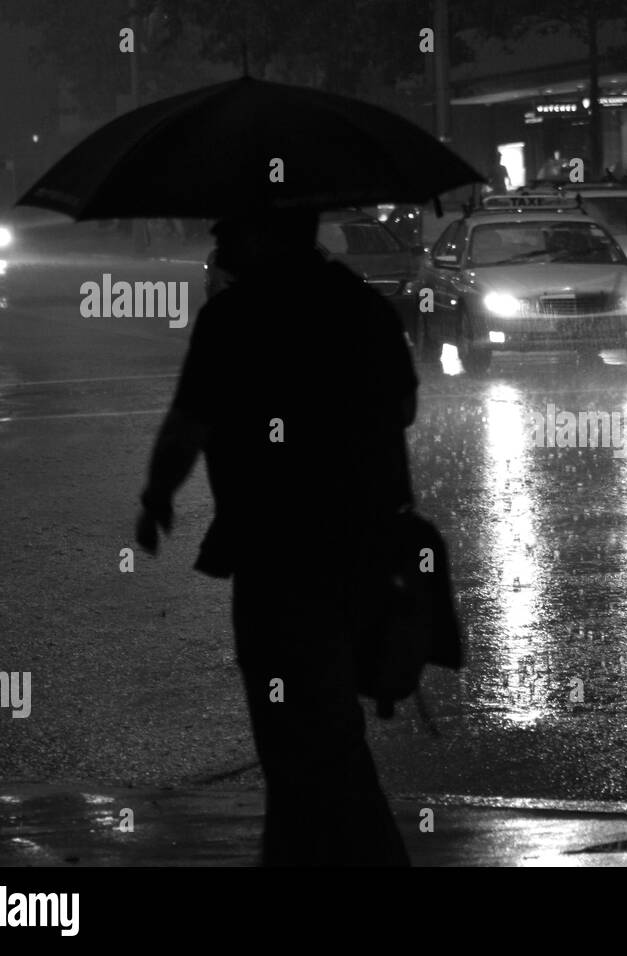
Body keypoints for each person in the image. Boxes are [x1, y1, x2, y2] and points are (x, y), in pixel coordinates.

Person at [134, 208, 417, 866]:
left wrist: (156, 497)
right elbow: (404, 408)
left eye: (229, 227)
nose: (217, 238)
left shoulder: (233, 319)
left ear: (264, 232)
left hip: (278, 559)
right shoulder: (361, 307)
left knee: (299, 736)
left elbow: (189, 423)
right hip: (364, 554)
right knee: (326, 727)